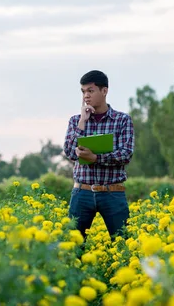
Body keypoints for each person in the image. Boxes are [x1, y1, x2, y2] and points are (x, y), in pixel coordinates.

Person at [63, 70, 134, 241]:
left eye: (90, 90)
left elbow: (126, 154)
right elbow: (68, 151)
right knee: (72, 247)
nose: (86, 96)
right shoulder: (75, 121)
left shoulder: (122, 120)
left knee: (122, 244)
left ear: (104, 91)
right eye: (83, 92)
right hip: (82, 192)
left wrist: (96, 158)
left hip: (113, 192)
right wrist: (82, 122)